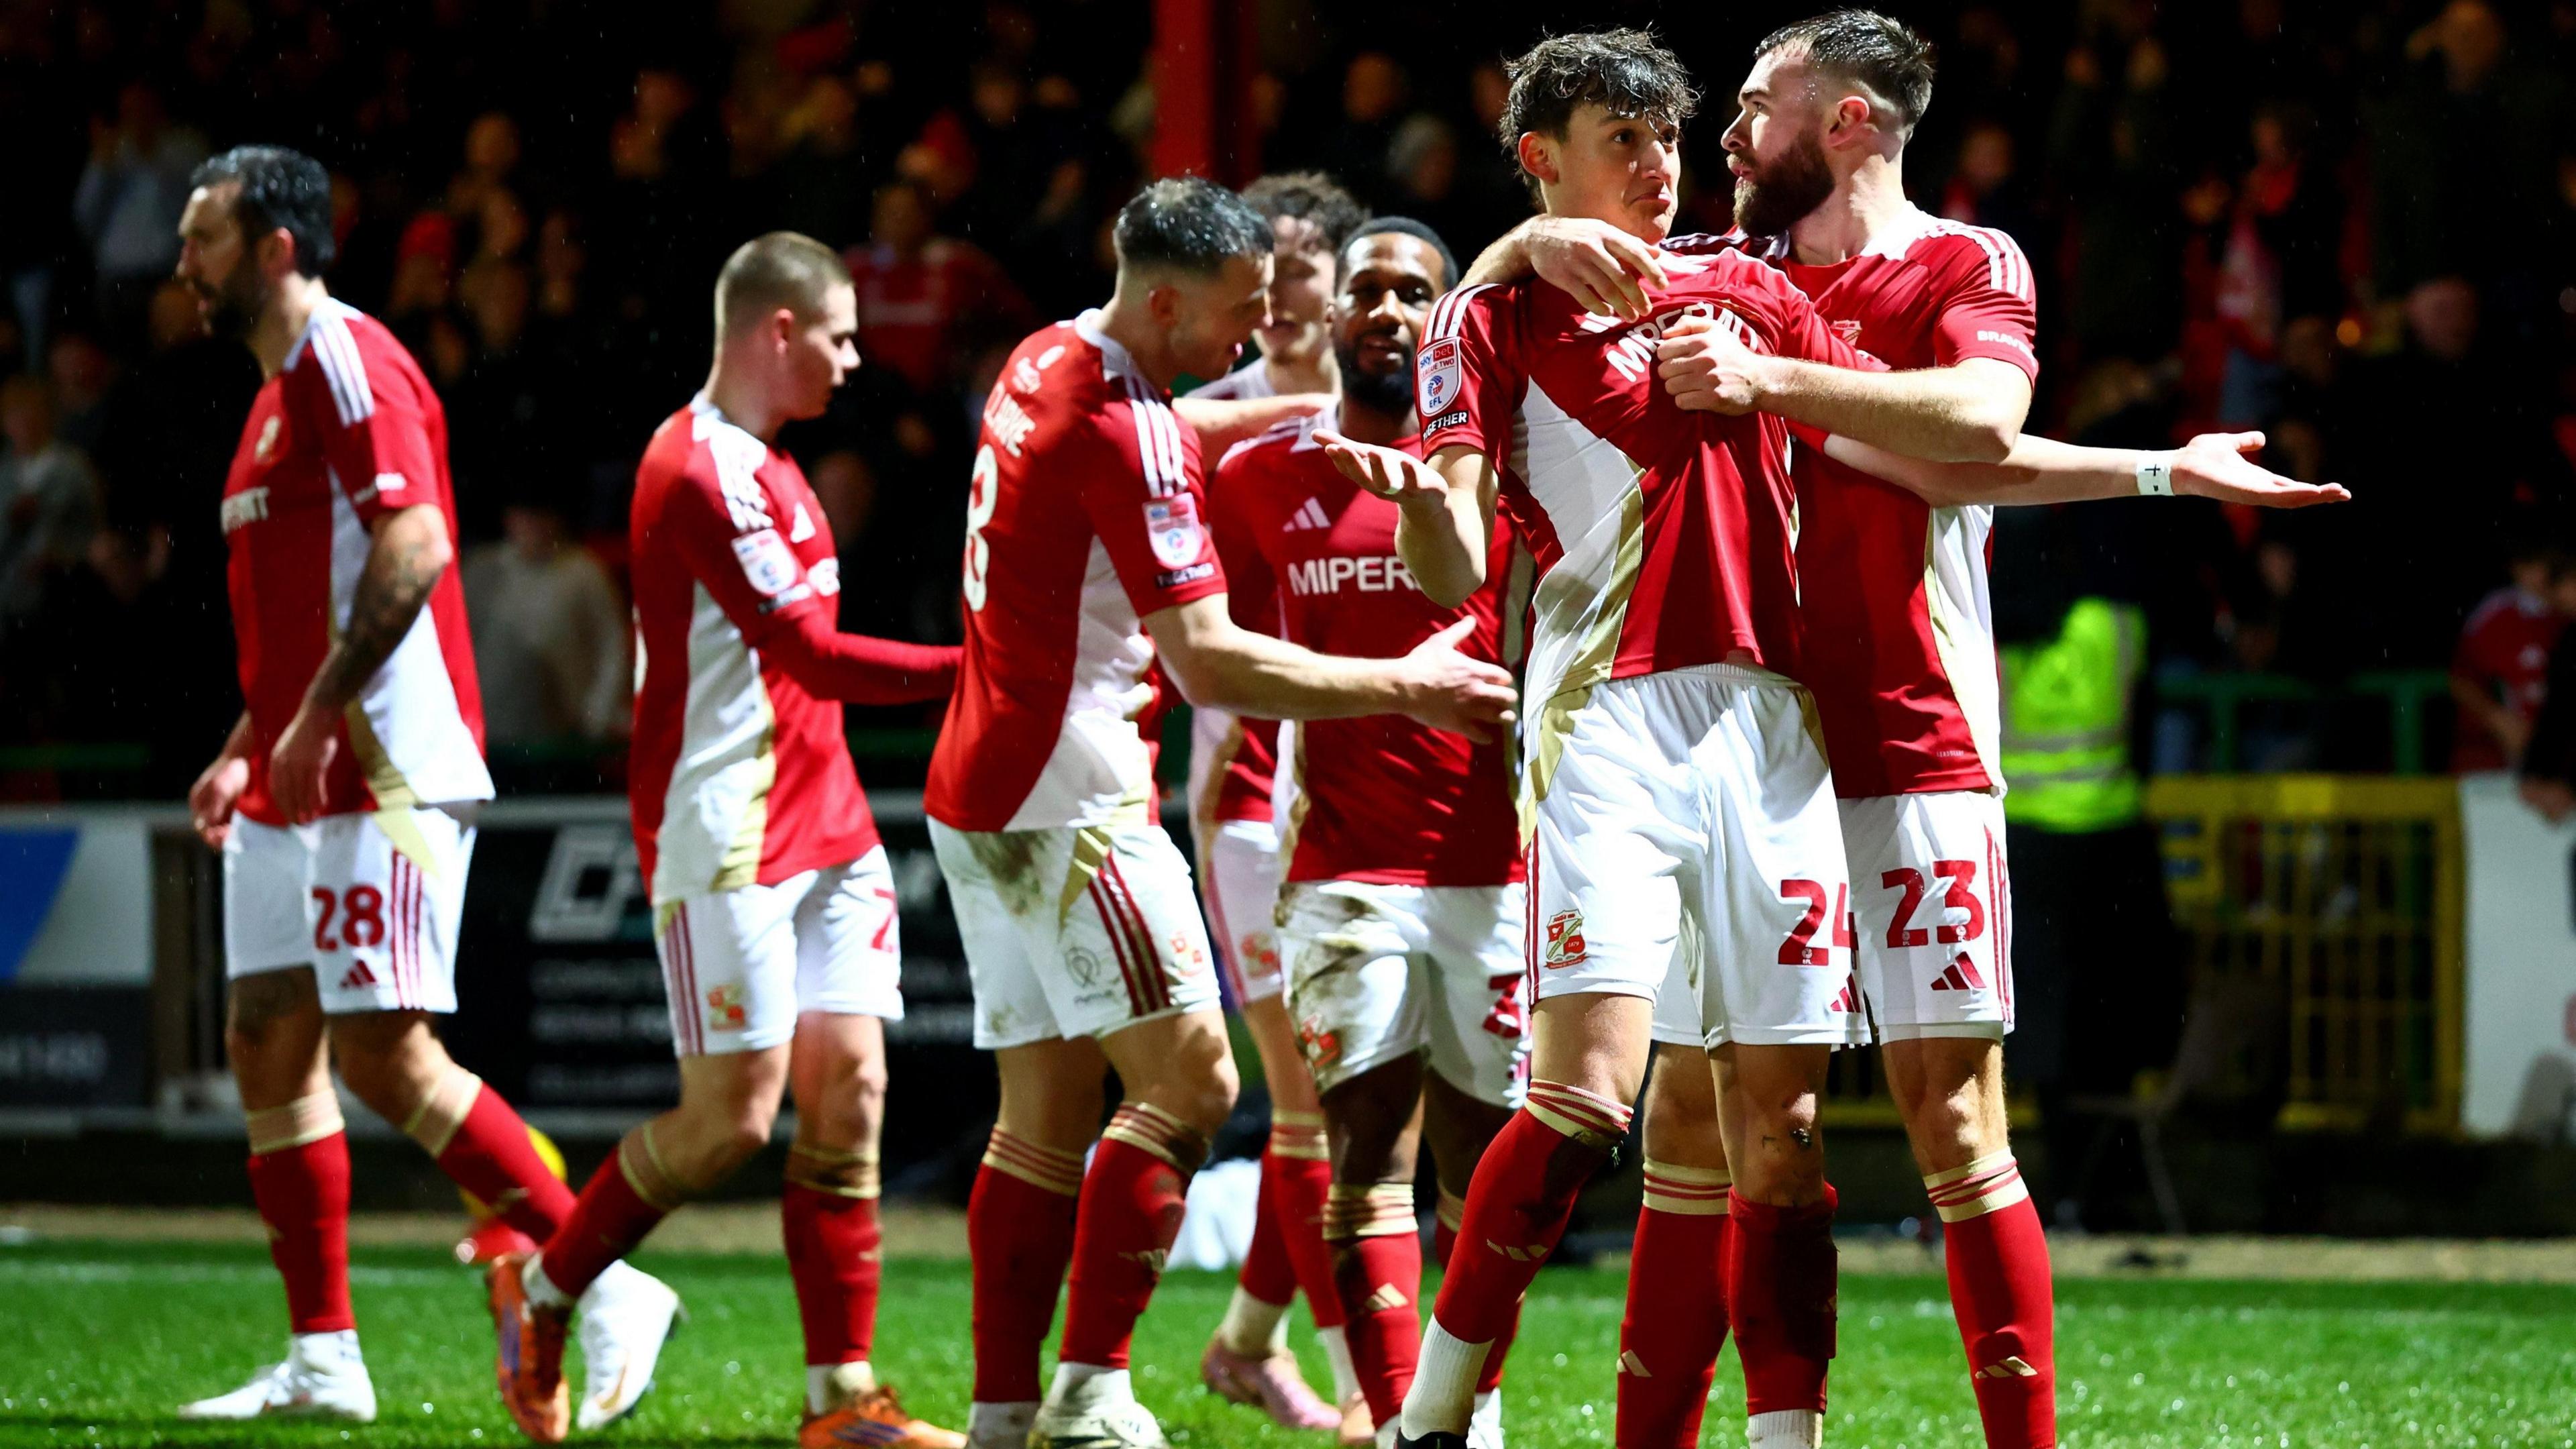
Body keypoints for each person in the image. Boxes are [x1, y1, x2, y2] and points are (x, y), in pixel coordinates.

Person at [1470, 13, 2343, 1448]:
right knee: (1708, 1131)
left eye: (1757, 109)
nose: (1723, 140)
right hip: (1740, 750)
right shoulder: (1728, 277)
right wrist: (1510, 254)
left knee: (1950, 1123)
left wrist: (2155, 478)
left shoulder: (1960, 262)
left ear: (1851, 123)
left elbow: (1976, 428)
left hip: (1912, 733)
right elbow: (1510, 291)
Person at [923, 176, 1516, 1449]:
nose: (1249, 346)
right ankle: (1089, 1394)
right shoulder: (1130, 430)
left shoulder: (1043, 357)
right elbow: (1206, 662)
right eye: (1241, 318)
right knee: (1194, 1083)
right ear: (1173, 299)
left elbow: (1185, 431)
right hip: (1073, 791)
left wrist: (1332, 407)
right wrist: (1407, 682)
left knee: (1038, 1118)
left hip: (974, 792)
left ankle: (1001, 1411)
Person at [171, 144, 677, 1427]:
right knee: (265, 1040)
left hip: (382, 767)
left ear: (278, 247)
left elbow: (416, 543)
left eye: (206, 237)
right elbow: (305, 615)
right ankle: (324, 1359)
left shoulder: (350, 360)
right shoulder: (274, 394)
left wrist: (323, 713)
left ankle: (603, 1279)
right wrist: (248, 740)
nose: (185, 262)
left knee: (386, 1056)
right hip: (301, 771)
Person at [483, 233, 965, 1449]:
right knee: (732, 1122)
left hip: (831, 817)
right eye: (843, 335)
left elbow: (802, 672)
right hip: (726, 827)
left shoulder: (776, 465)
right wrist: (990, 669)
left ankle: (839, 1402)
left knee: (851, 1093)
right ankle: (546, 1289)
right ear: (780, 330)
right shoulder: (696, 468)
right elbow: (812, 658)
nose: (858, 359)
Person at [1218, 215, 1533, 1449]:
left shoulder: (1507, 474)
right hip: (1343, 869)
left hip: (1495, 866)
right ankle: (1408, 1421)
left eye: (1417, 293)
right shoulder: (1262, 481)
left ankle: (1468, 1408)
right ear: (1332, 315)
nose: (1390, 312)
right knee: (1365, 1157)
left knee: (1485, 1174)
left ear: (1448, 320)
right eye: (1368, 292)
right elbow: (1232, 666)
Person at [1185, 169, 1374, 1441]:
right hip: (1251, 784)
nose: (1295, 273)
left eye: (1318, 256)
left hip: (1372, 785)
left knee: (1346, 1094)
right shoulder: (1210, 419)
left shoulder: (1406, 413)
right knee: (1309, 1102)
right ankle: (1370, 1384)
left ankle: (1247, 1343)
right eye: (1277, 254)